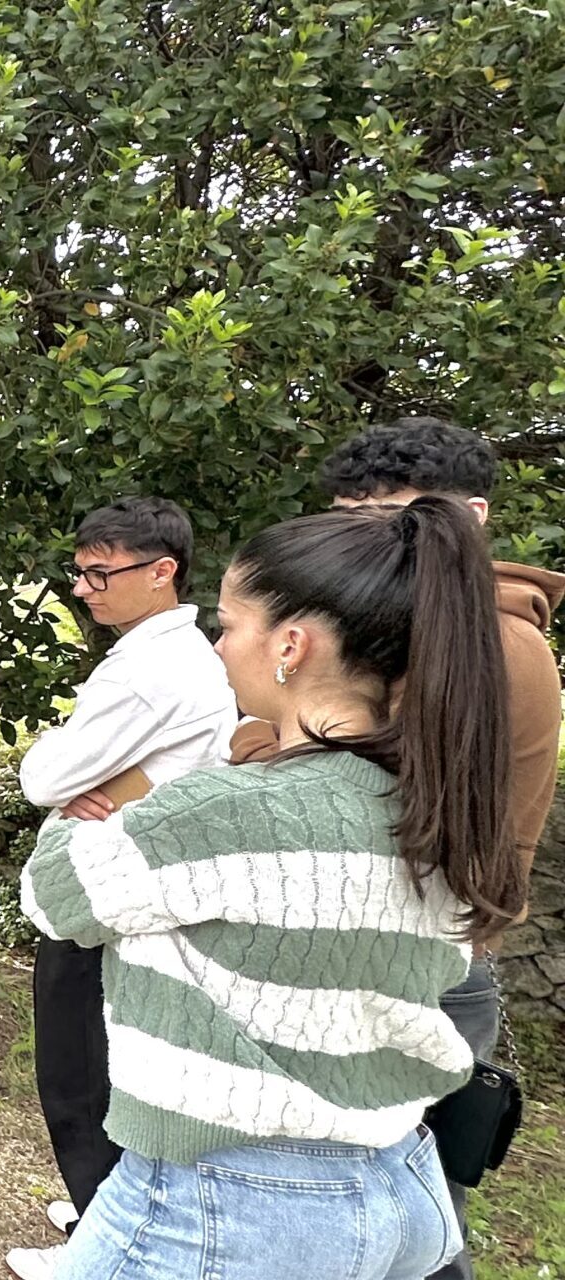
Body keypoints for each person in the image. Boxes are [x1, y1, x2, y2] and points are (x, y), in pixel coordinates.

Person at [23, 497, 522, 1280]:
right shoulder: (440, 811)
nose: (218, 649)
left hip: (226, 1206)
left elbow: (52, 892)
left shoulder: (229, 813)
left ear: (291, 645)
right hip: (400, 1185)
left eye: (226, 625)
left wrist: (89, 806)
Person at [312, 418, 565, 1280]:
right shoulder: (422, 627)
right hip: (407, 955)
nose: (369, 542)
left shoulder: (487, 644)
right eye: (349, 518)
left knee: (408, 1227)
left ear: (474, 519)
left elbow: (320, 779)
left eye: (398, 519)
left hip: (418, 963)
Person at [4, 499, 237, 1280]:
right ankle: (106, 1216)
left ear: (163, 571)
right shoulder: (188, 655)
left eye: (102, 573)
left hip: (107, 890)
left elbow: (45, 777)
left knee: (80, 1072)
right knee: (119, 1066)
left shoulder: (148, 669)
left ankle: (102, 1248)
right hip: (148, 883)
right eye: (81, 572)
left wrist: (69, 767)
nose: (84, 589)